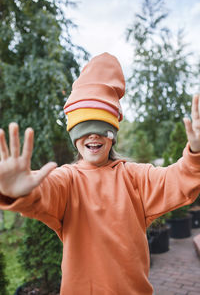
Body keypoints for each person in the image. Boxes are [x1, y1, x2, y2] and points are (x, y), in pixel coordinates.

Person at [0, 53, 200, 295]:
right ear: (73, 134)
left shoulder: (135, 178)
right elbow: (45, 192)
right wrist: (20, 191)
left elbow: (177, 180)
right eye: (84, 128)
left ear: (113, 133)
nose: (93, 135)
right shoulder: (67, 181)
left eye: (101, 127)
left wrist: (195, 154)